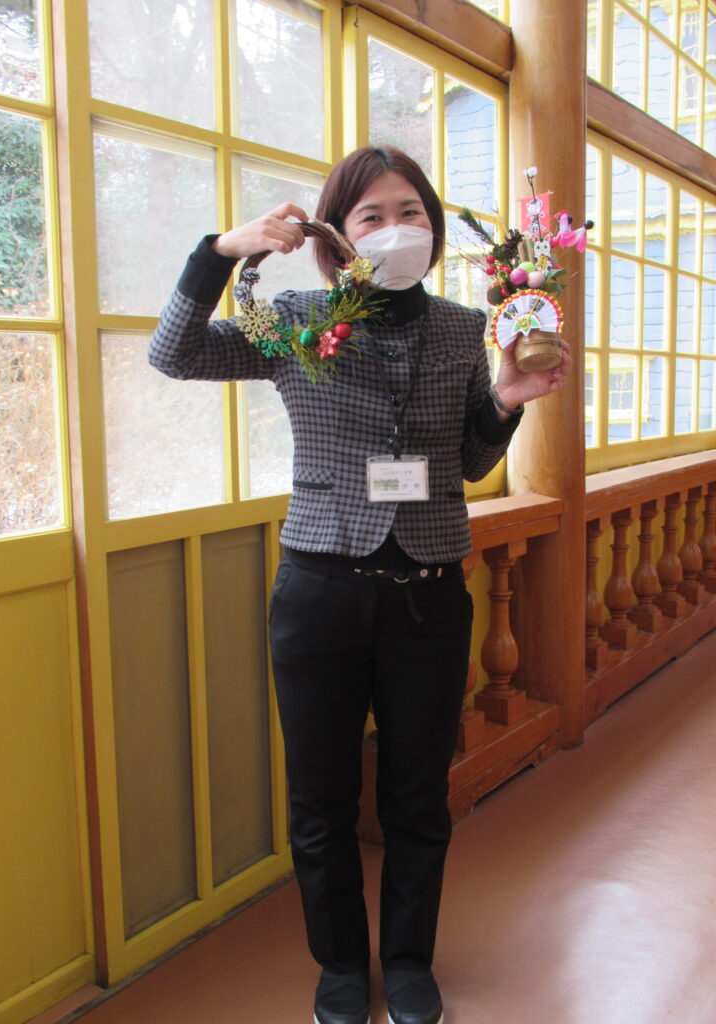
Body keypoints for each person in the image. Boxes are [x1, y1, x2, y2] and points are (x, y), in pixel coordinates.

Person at [149, 145, 571, 1024]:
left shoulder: (464, 327)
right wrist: (222, 251)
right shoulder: (295, 321)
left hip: (428, 593)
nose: (395, 227)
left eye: (411, 211)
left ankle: (408, 961)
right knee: (321, 800)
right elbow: (175, 353)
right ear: (336, 234)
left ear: (434, 227)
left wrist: (505, 400)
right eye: (372, 214)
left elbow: (468, 461)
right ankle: (341, 966)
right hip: (321, 592)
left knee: (419, 796)